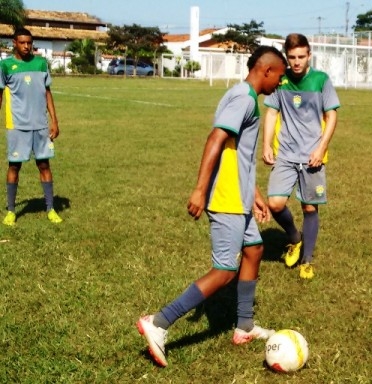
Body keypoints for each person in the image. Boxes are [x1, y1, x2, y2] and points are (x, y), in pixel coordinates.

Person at [137, 46, 287, 367]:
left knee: (255, 250)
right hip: (226, 198)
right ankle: (159, 322)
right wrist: (200, 189)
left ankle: (244, 325)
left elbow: (238, 155)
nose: (281, 83)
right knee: (224, 271)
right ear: (266, 71)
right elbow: (215, 139)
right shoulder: (244, 99)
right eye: (280, 76)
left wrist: (256, 195)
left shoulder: (243, 95)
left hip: (240, 196)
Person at [262, 33, 340, 279]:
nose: (296, 62)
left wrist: (321, 148)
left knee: (309, 207)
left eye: (301, 57)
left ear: (309, 55)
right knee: (274, 203)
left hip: (312, 156)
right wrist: (266, 145)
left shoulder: (321, 80)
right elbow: (272, 113)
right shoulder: (281, 80)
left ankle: (307, 260)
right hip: (285, 153)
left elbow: (332, 116)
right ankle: (294, 238)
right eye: (292, 57)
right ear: (287, 56)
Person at [0, 27, 62, 226]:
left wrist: (55, 121)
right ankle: (11, 211)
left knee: (44, 165)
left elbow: (47, 92)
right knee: (14, 166)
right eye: (22, 43)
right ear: (14, 44)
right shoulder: (6, 66)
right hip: (17, 125)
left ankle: (50, 208)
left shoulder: (41, 63)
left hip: (41, 125)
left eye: (29, 43)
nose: (27, 46)